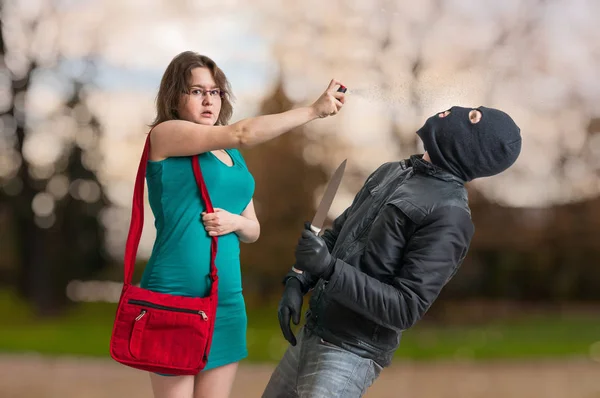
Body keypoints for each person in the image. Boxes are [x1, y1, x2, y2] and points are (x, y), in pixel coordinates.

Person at [263, 105, 522, 398]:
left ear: (472, 148)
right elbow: (336, 236)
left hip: (348, 354)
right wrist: (298, 281)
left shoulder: (451, 216)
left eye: (473, 117)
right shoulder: (390, 172)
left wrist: (329, 269)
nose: (455, 111)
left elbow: (405, 308)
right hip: (311, 332)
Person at [139, 50, 346, 398]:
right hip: (176, 295)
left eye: (215, 91)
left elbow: (253, 230)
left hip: (226, 299)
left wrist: (234, 221)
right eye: (196, 91)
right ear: (175, 97)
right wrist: (312, 111)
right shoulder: (166, 135)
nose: (209, 100)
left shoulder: (231, 155)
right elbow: (244, 132)